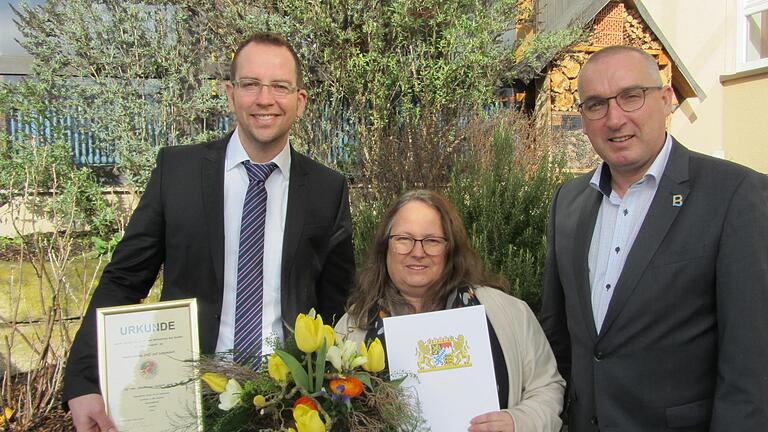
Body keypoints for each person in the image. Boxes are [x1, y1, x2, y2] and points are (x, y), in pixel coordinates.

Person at [63, 32, 355, 431]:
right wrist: (83, 381)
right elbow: (123, 280)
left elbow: (336, 299)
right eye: (251, 84)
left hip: (289, 404)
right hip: (187, 401)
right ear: (230, 93)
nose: (264, 99)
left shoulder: (327, 189)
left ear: (299, 101)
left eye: (279, 87)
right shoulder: (177, 172)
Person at [540, 45, 768, 431]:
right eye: (596, 104)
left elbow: (752, 364)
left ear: (666, 100)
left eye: (631, 96)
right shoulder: (567, 203)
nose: (615, 118)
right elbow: (557, 340)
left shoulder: (735, 195)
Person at [335, 190, 565, 432]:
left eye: (432, 240)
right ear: (385, 246)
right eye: (404, 239)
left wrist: (520, 421)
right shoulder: (352, 328)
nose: (418, 251)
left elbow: (547, 386)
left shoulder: (509, 313)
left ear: (450, 248)